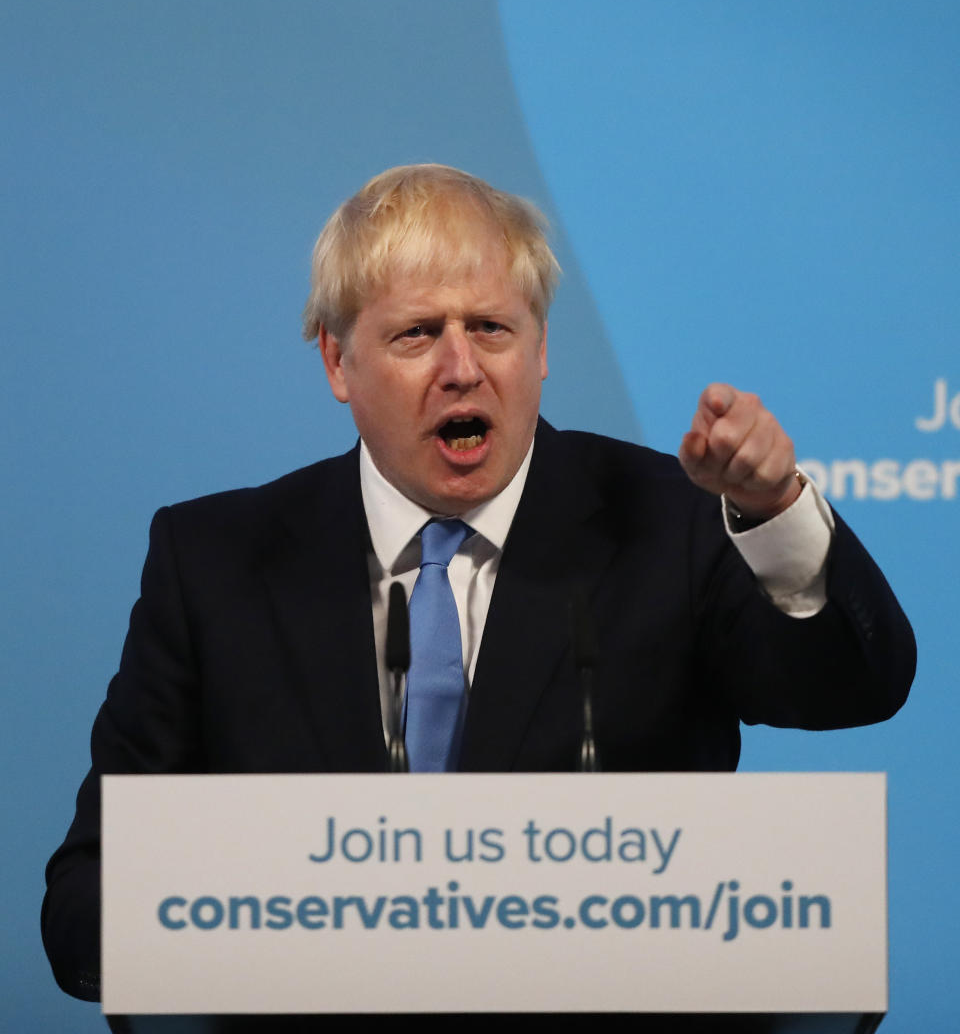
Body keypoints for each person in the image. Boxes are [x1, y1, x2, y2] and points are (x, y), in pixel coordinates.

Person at [42, 163, 916, 1009]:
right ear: (338, 364)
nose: (462, 368)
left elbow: (855, 686)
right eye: (418, 333)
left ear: (539, 352)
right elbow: (90, 894)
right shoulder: (215, 561)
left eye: (492, 329)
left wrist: (773, 510)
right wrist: (246, 927)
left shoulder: (670, 523)